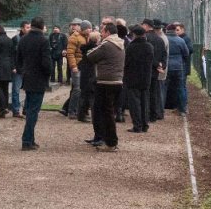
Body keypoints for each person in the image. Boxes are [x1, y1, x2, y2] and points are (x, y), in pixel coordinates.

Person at [86, 21, 126, 152]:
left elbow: (90, 55)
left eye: (102, 31)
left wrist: (96, 42)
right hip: (117, 81)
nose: (101, 34)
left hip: (105, 82)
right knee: (109, 112)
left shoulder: (107, 44)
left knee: (105, 113)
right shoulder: (121, 44)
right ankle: (110, 141)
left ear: (108, 32)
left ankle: (110, 142)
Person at [16, 15, 52, 150]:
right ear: (42, 27)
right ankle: (26, 140)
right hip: (39, 79)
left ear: (31, 25)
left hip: (27, 78)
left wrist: (22, 71)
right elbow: (46, 62)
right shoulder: (44, 40)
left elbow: (18, 58)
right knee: (33, 112)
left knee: (30, 108)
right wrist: (48, 74)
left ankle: (29, 139)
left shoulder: (23, 39)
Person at [124, 25, 154, 133]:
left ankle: (137, 125)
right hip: (146, 78)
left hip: (133, 78)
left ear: (134, 34)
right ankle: (145, 124)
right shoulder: (149, 46)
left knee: (134, 103)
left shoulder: (131, 47)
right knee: (145, 102)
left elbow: (126, 63)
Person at [141, 18, 167, 121]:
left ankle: (145, 115)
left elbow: (147, 56)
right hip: (156, 71)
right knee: (154, 93)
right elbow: (164, 54)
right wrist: (162, 65)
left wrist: (156, 64)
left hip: (146, 69)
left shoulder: (145, 38)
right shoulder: (160, 39)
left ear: (146, 26)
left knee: (145, 93)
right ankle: (153, 115)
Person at [66, 19, 90, 118]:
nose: (90, 30)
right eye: (88, 28)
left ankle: (77, 110)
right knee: (77, 89)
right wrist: (73, 66)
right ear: (84, 29)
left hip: (84, 66)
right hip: (77, 66)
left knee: (80, 89)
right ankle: (72, 111)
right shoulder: (74, 37)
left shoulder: (87, 37)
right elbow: (70, 53)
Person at [165, 23, 189, 114]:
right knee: (180, 88)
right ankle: (182, 109)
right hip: (178, 67)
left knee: (164, 87)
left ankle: (161, 108)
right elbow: (186, 53)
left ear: (167, 30)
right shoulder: (181, 40)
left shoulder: (165, 40)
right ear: (175, 30)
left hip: (166, 67)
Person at [11, 20, 30, 118]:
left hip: (27, 69)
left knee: (28, 90)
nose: (29, 29)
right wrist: (13, 66)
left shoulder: (30, 39)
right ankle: (16, 110)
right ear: (22, 28)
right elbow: (12, 55)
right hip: (18, 69)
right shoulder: (15, 39)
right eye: (27, 27)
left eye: (29, 27)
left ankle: (26, 110)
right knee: (16, 90)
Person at [176, 23, 194, 111]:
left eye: (177, 30)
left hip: (183, 66)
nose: (176, 32)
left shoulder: (185, 39)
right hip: (181, 65)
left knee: (182, 86)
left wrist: (182, 50)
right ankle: (180, 105)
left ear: (183, 30)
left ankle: (183, 106)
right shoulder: (181, 39)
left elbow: (190, 49)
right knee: (180, 86)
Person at [154, 20, 169, 111]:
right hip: (161, 66)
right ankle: (160, 109)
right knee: (160, 89)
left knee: (159, 90)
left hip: (160, 67)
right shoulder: (162, 37)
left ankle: (159, 110)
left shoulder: (162, 39)